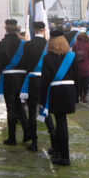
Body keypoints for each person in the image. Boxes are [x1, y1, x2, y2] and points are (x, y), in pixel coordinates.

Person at [39, 30, 79, 166]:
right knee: (62, 123)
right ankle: (61, 153)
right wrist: (76, 95)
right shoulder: (72, 56)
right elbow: (77, 77)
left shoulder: (47, 58)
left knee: (61, 124)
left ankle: (64, 156)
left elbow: (45, 81)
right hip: (69, 91)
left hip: (55, 91)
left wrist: (42, 99)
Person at [18, 21, 55, 152]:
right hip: (45, 80)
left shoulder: (28, 45)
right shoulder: (49, 44)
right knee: (46, 110)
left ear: (34, 29)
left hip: (33, 80)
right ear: (44, 30)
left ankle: (34, 142)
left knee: (32, 112)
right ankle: (53, 140)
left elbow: (24, 63)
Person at [0, 19, 29, 145]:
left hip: (8, 79)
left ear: (6, 28)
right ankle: (27, 133)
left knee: (10, 109)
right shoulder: (23, 43)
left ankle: (12, 138)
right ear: (16, 28)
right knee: (20, 107)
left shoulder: (2, 44)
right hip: (22, 79)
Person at [72, 32, 89, 103]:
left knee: (78, 82)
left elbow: (73, 55)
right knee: (85, 82)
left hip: (77, 66)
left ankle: (79, 95)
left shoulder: (75, 44)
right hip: (86, 65)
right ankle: (84, 96)